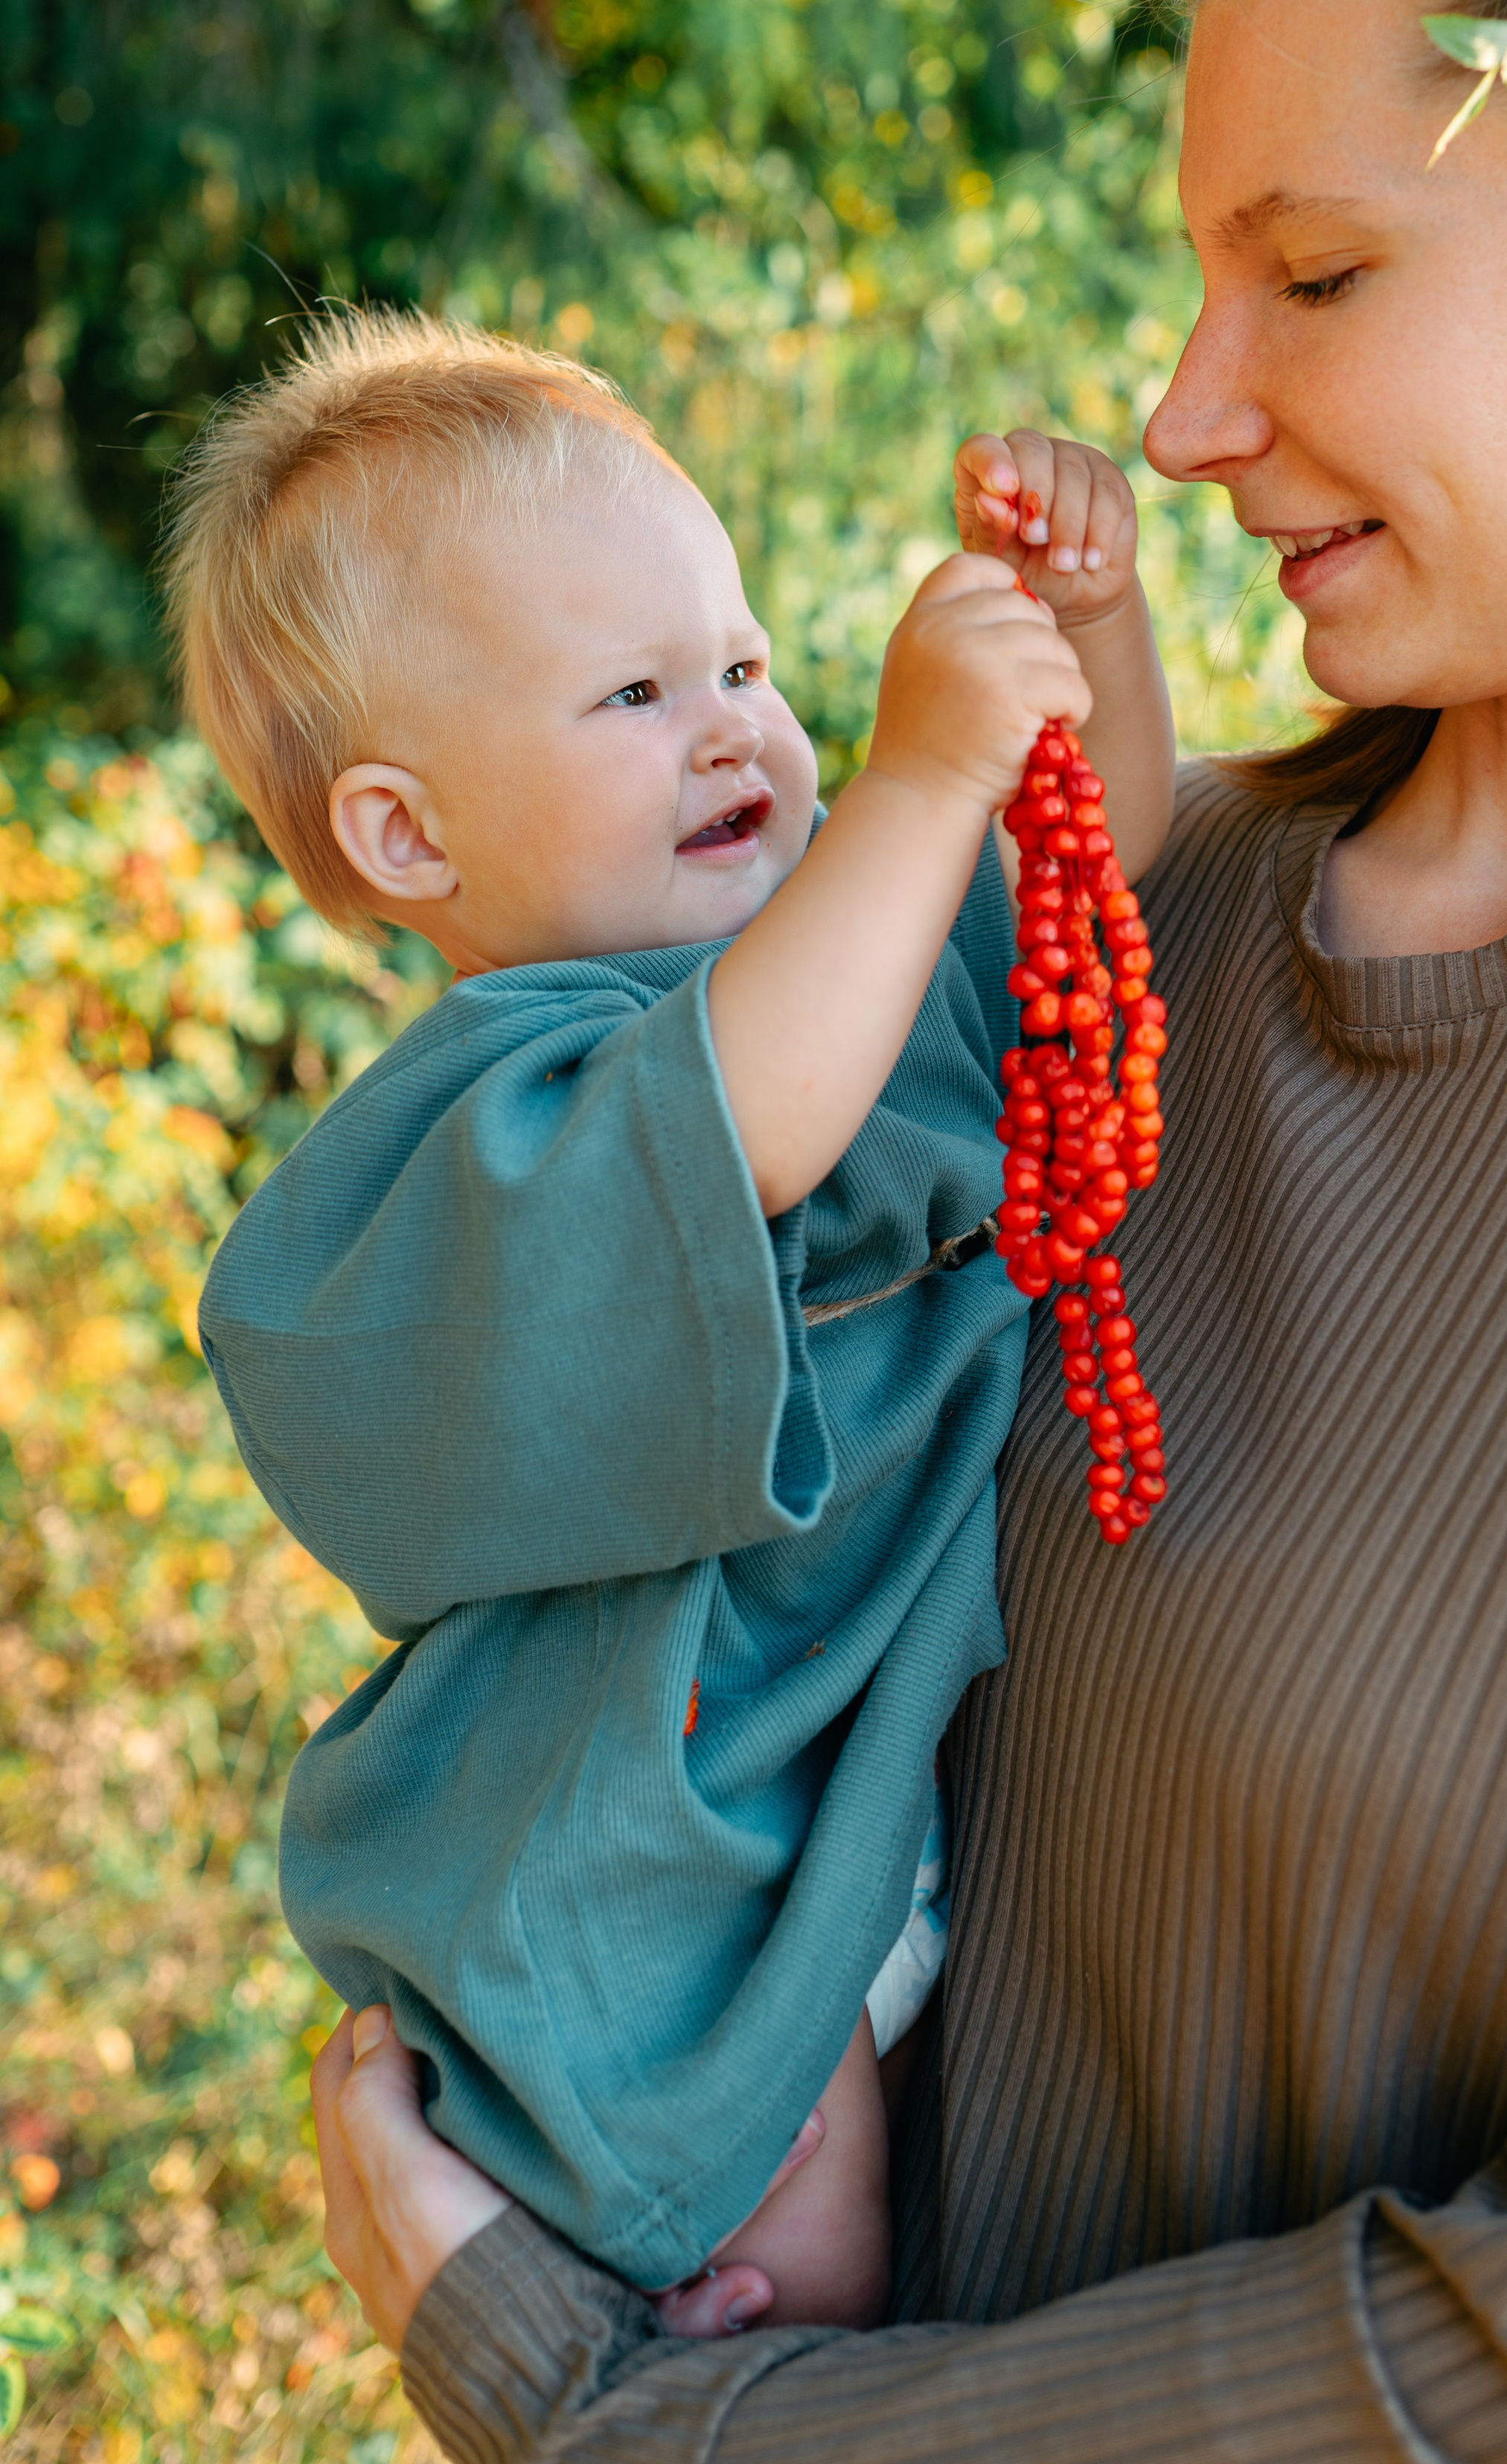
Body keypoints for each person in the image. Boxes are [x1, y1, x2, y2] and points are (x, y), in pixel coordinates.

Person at [312, 0, 1507, 2460]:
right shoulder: (1124, 933)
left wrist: (614, 2425)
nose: (1182, 416)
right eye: (1197, 279)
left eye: (1313, 273)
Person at [167, 308, 1175, 2332]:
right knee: (798, 2257)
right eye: (632, 694)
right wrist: (911, 780)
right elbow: (744, 1127)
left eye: (745, 666)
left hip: (866, 1801)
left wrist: (1098, 629)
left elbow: (1101, 856)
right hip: (652, 1887)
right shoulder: (489, 1123)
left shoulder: (854, 947)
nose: (734, 729)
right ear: (406, 835)